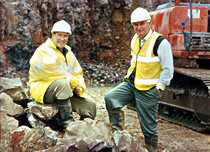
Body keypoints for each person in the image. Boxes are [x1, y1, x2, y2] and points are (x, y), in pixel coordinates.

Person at [104, 7, 174, 152]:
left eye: (142, 23)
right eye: (136, 24)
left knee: (148, 127)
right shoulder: (135, 39)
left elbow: (168, 70)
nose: (139, 27)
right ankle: (119, 135)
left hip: (149, 90)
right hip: (132, 83)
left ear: (149, 23)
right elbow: (135, 61)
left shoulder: (160, 43)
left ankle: (152, 149)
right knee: (111, 98)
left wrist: (159, 87)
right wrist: (128, 77)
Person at [28, 20, 96, 131]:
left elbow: (78, 73)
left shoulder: (69, 53)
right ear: (52, 35)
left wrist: (79, 87)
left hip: (64, 91)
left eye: (65, 36)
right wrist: (73, 82)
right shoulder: (43, 50)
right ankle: (68, 126)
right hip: (42, 90)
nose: (62, 39)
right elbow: (48, 72)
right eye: (59, 35)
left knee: (90, 105)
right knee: (63, 84)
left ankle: (84, 129)